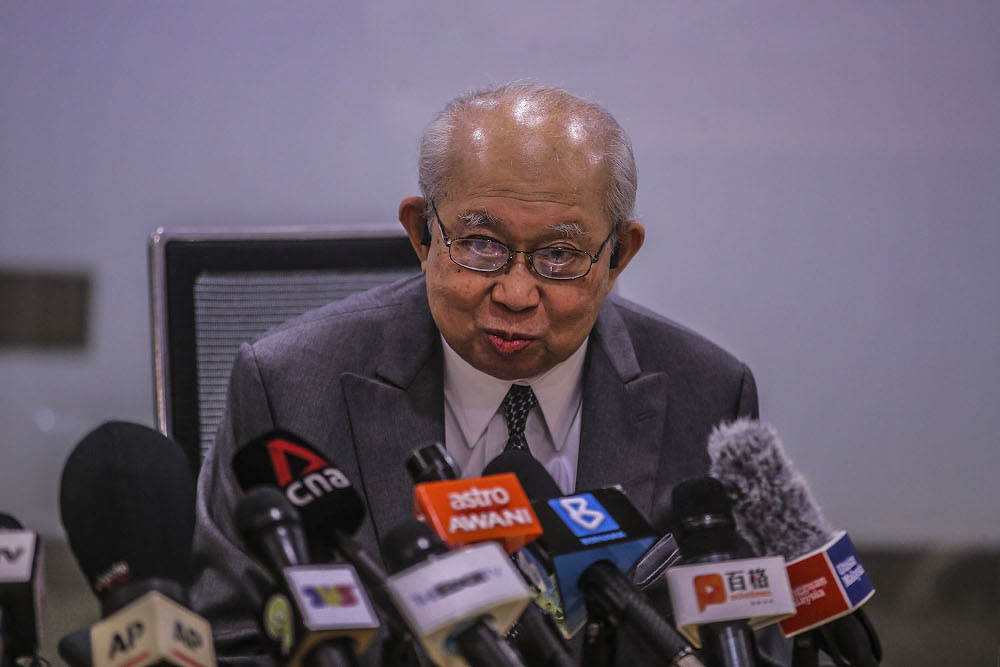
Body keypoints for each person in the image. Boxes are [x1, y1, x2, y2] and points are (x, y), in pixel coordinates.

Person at [191, 82, 780, 664]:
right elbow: (235, 643)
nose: (517, 293)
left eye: (559, 255)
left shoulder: (711, 393)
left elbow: (754, 646)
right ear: (422, 232)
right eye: (479, 244)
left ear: (619, 254)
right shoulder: (287, 388)